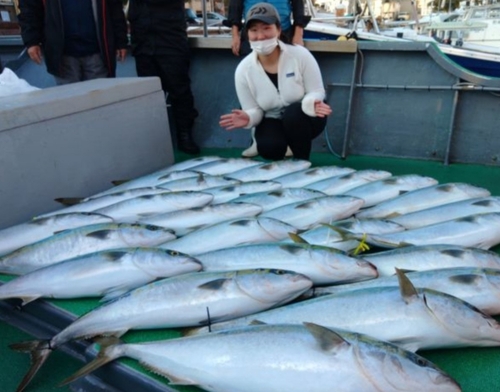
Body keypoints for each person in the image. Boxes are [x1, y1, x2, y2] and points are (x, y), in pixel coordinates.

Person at [219, 3, 332, 161]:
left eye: (266, 28)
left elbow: (317, 90)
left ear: (278, 30)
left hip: (306, 116)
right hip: (272, 118)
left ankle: (302, 161)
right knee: (268, 146)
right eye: (254, 30)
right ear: (247, 34)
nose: (260, 36)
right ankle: (279, 151)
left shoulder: (300, 55)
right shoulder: (243, 70)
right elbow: (254, 110)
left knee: (294, 114)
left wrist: (311, 102)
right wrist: (249, 118)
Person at [127, 0, 200, 155]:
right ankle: (153, 140)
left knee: (180, 92)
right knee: (147, 96)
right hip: (142, 43)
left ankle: (185, 136)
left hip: (171, 40)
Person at [18, 0, 128, 85]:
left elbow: (115, 8)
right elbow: (29, 9)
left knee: (100, 101)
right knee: (70, 104)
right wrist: (32, 41)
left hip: (98, 54)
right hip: (63, 55)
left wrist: (121, 41)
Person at [227, 0, 309, 57]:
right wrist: (235, 35)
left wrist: (298, 34)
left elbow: (298, 6)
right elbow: (235, 7)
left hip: (284, 34)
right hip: (253, 36)